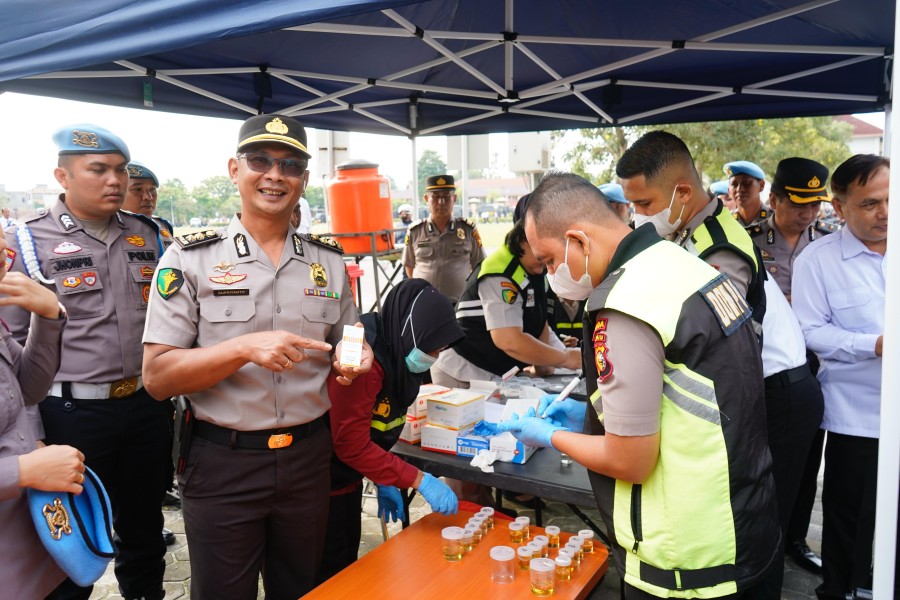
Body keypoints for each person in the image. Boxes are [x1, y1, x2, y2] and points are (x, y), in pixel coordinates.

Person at [498, 171, 779, 599]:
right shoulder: (680, 264)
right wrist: (589, 418)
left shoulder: (628, 302)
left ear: (578, 240)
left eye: (551, 259)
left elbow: (630, 460)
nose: (552, 273)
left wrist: (551, 436)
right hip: (742, 525)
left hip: (683, 561)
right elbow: (691, 392)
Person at [142, 114, 370, 600]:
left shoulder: (326, 260)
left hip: (308, 458)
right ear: (234, 168)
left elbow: (348, 337)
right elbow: (158, 377)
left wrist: (356, 357)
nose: (275, 174)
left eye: (290, 165)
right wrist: (243, 347)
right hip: (223, 461)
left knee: (302, 588)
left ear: (304, 180)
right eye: (260, 160)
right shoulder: (189, 258)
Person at [618, 131, 822, 598]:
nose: (638, 216)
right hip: (759, 386)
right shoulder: (692, 232)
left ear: (682, 193)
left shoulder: (718, 246)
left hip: (777, 392)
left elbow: (722, 352)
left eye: (644, 203)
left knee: (758, 524)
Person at [0, 124, 169, 600]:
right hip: (71, 414)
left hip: (143, 405)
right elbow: (10, 343)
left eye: (120, 170)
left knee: (144, 529)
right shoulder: (28, 242)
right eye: (98, 170)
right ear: (63, 176)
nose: (114, 181)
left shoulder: (148, 235)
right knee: (69, 535)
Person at [792, 154, 890, 600]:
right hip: (858, 417)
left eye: (891, 200)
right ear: (839, 205)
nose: (884, 213)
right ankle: (842, 590)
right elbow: (811, 331)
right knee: (850, 517)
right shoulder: (819, 260)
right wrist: (873, 345)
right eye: (870, 203)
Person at [319, 278, 463, 582]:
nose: (434, 355)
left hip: (347, 479)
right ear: (412, 331)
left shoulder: (397, 352)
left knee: (345, 562)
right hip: (322, 484)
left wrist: (382, 474)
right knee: (330, 573)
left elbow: (376, 423)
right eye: (432, 346)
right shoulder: (364, 363)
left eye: (441, 348)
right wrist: (418, 479)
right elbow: (349, 444)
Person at [749, 156, 836, 573]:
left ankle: (795, 539)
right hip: (764, 372)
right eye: (799, 203)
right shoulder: (749, 241)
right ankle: (761, 539)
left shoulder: (826, 241)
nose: (808, 213)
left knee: (806, 463)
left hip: (815, 369)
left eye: (815, 204)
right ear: (775, 199)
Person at [0, 224, 79, 599]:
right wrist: (24, 470)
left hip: (21, 538)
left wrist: (48, 315)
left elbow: (29, 388)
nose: (3, 248)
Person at [430, 218, 581, 388]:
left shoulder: (535, 270)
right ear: (525, 243)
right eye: (544, 251)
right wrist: (566, 359)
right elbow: (509, 341)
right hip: (461, 373)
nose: (549, 261)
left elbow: (540, 322)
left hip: (495, 375)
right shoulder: (500, 273)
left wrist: (550, 363)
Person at [403, 175, 485, 303]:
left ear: (454, 199)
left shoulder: (468, 230)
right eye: (435, 197)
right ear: (426, 198)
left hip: (459, 304)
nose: (441, 202)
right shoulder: (415, 231)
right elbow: (409, 267)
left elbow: (479, 265)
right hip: (424, 304)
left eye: (446, 197)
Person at [124, 161, 174, 253]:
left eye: (152, 190)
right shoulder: (107, 230)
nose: (148, 197)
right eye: (138, 189)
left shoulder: (164, 226)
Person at [725, 160, 769, 227]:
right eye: (734, 184)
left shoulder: (777, 220)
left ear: (761, 185)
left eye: (746, 183)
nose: (739, 189)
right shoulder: (726, 222)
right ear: (729, 191)